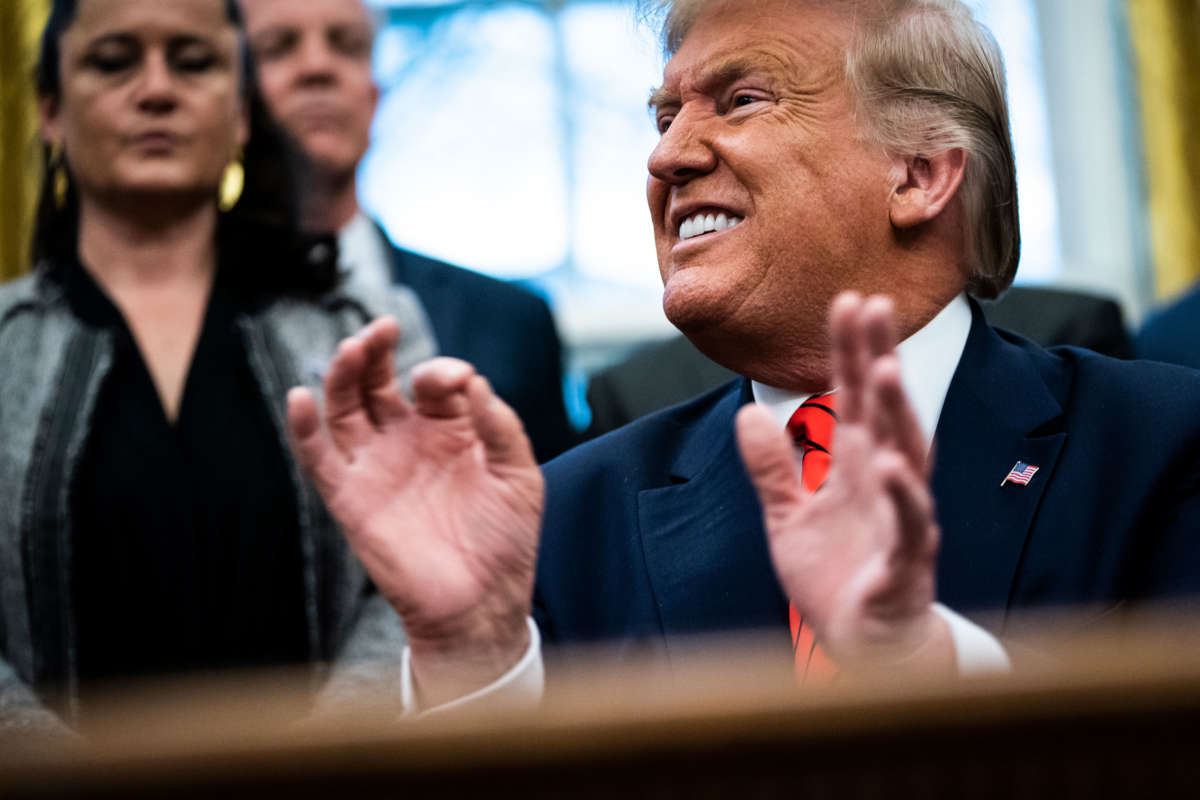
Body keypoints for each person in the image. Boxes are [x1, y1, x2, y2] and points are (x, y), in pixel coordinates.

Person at [286, 0, 1200, 709]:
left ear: (920, 173)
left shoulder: (1163, 447)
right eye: (662, 118)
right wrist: (471, 662)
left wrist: (916, 659)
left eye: (742, 100)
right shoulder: (564, 518)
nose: (670, 156)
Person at [0, 0, 435, 733]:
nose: (157, 88)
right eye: (113, 61)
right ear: (51, 111)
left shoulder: (365, 328)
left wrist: (321, 760)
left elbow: (419, 572)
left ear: (239, 115)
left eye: (194, 61)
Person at [239, 0, 578, 464]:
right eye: (279, 48)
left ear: (374, 96)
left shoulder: (512, 323)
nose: (317, 67)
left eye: (347, 45)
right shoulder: (183, 317)